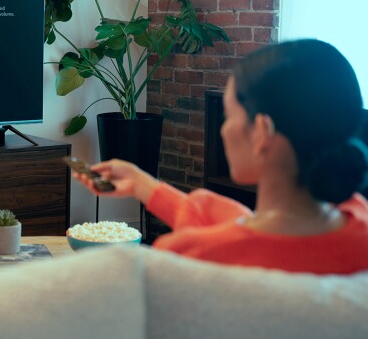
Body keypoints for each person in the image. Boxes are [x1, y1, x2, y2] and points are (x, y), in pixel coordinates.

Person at [74, 39, 368, 274]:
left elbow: (239, 236)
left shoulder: (189, 255)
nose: (224, 130)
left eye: (228, 116)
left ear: (262, 131)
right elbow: (246, 224)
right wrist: (144, 185)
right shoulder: (359, 221)